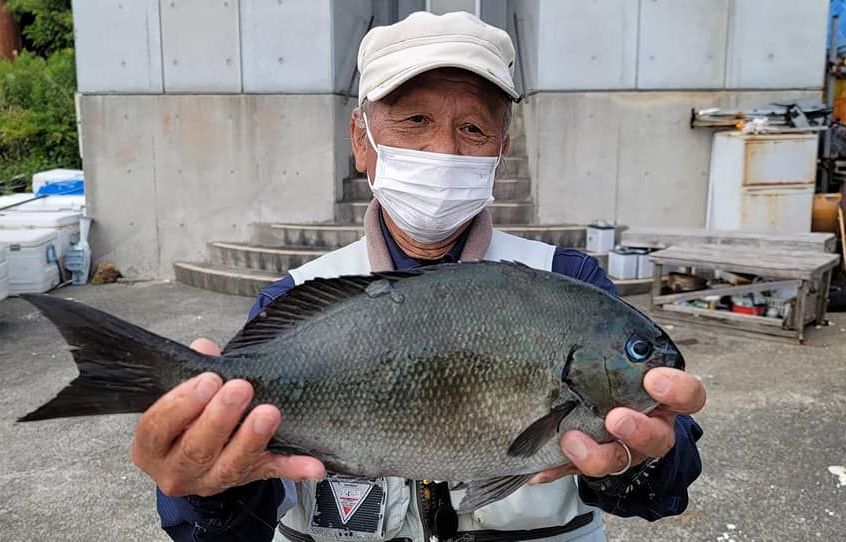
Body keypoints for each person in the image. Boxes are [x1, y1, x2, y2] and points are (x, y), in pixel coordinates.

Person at [132, 11, 706, 542]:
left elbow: (667, 483)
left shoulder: (570, 285)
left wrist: (646, 458)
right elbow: (227, 527)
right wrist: (206, 488)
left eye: (474, 130)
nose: (444, 150)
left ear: (500, 151)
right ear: (362, 140)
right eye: (414, 120)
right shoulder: (297, 297)